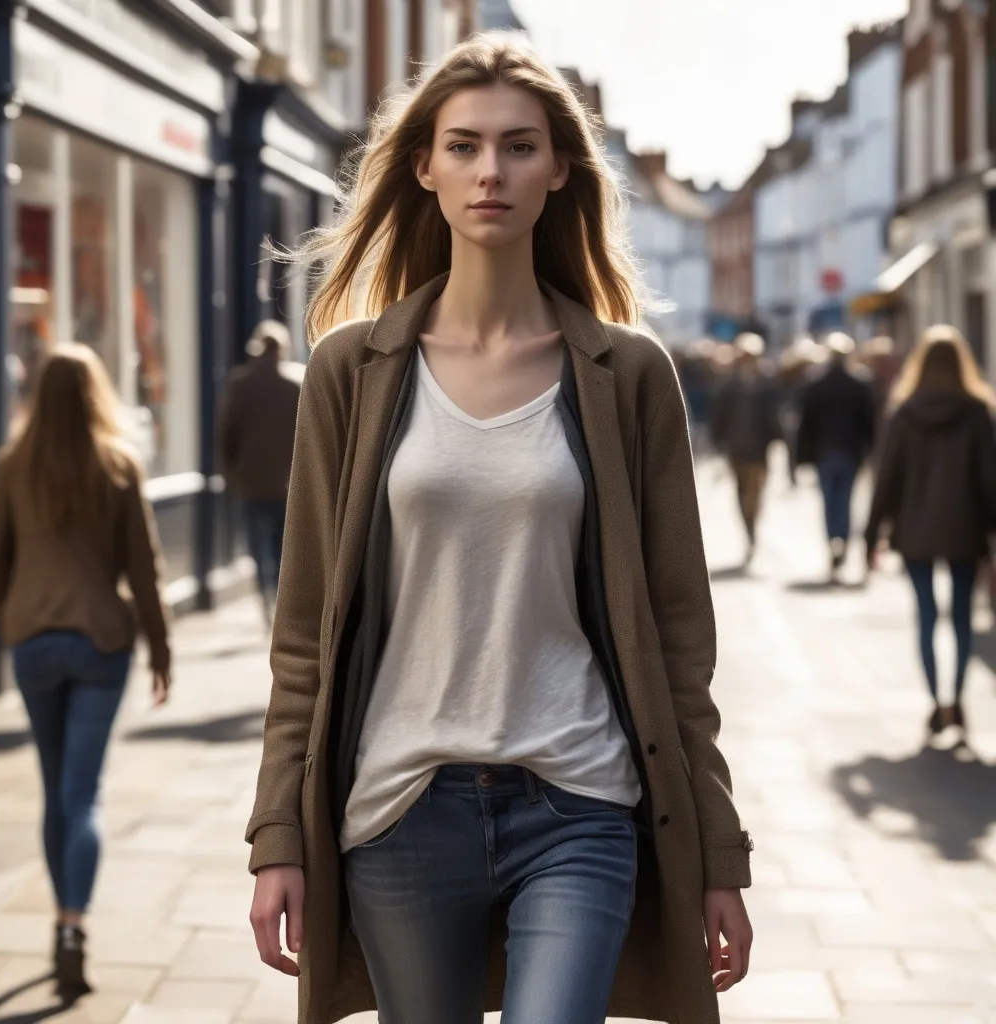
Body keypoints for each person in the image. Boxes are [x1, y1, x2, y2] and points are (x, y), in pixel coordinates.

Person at [245, 34, 753, 1024]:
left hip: (580, 800)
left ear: (560, 169)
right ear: (424, 167)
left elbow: (680, 642)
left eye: (519, 146)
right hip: (398, 807)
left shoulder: (628, 375)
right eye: (465, 145)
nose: (491, 171)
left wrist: (717, 855)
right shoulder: (352, 373)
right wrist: (277, 836)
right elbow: (304, 631)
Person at [0, 343, 170, 999]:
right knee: (82, 793)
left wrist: (13, 617)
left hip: (33, 644)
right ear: (95, 394)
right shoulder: (117, 464)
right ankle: (71, 926)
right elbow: (143, 569)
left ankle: (60, 922)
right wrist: (161, 651)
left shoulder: (11, 466)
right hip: (99, 645)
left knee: (53, 784)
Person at [865, 325, 996, 737]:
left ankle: (934, 702)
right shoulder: (977, 412)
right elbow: (991, 481)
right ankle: (955, 699)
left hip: (916, 532)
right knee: (960, 617)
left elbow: (886, 478)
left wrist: (872, 536)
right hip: (965, 530)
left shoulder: (905, 411)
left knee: (925, 616)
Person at [217, 319, 303, 626]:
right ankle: (282, 600)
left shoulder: (240, 383)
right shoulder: (294, 385)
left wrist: (231, 474)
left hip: (251, 481)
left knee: (258, 543)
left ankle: (266, 598)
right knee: (284, 545)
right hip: (287, 482)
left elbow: (227, 433)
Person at [796, 331, 876, 578]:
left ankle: (834, 540)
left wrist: (801, 457)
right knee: (844, 501)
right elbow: (868, 423)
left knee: (830, 502)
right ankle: (841, 541)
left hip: (826, 451)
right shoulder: (859, 383)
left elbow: (805, 424)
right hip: (849, 452)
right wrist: (869, 451)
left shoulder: (817, 384)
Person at [710, 332, 781, 565]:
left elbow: (774, 416)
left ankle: (753, 525)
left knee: (756, 492)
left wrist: (777, 437)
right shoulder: (729, 385)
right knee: (741, 491)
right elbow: (720, 416)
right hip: (737, 448)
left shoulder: (767, 383)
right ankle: (748, 528)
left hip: (759, 449)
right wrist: (718, 442)